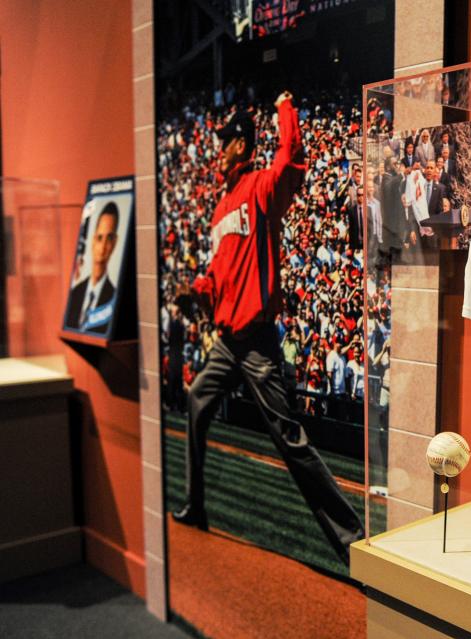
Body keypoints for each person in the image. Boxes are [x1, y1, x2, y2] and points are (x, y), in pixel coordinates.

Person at [171, 91, 364, 565]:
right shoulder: (220, 208)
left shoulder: (259, 187)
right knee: (196, 401)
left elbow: (292, 161)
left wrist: (285, 109)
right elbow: (218, 276)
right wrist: (195, 288)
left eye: (226, 141)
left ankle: (353, 543)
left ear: (242, 143)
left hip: (256, 342)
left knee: (290, 439)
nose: (219, 148)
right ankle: (197, 506)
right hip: (226, 342)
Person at [64, 201, 120, 333]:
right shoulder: (75, 293)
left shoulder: (114, 296)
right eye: (100, 237)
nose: (103, 246)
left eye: (109, 238)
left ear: (115, 243)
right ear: (93, 240)